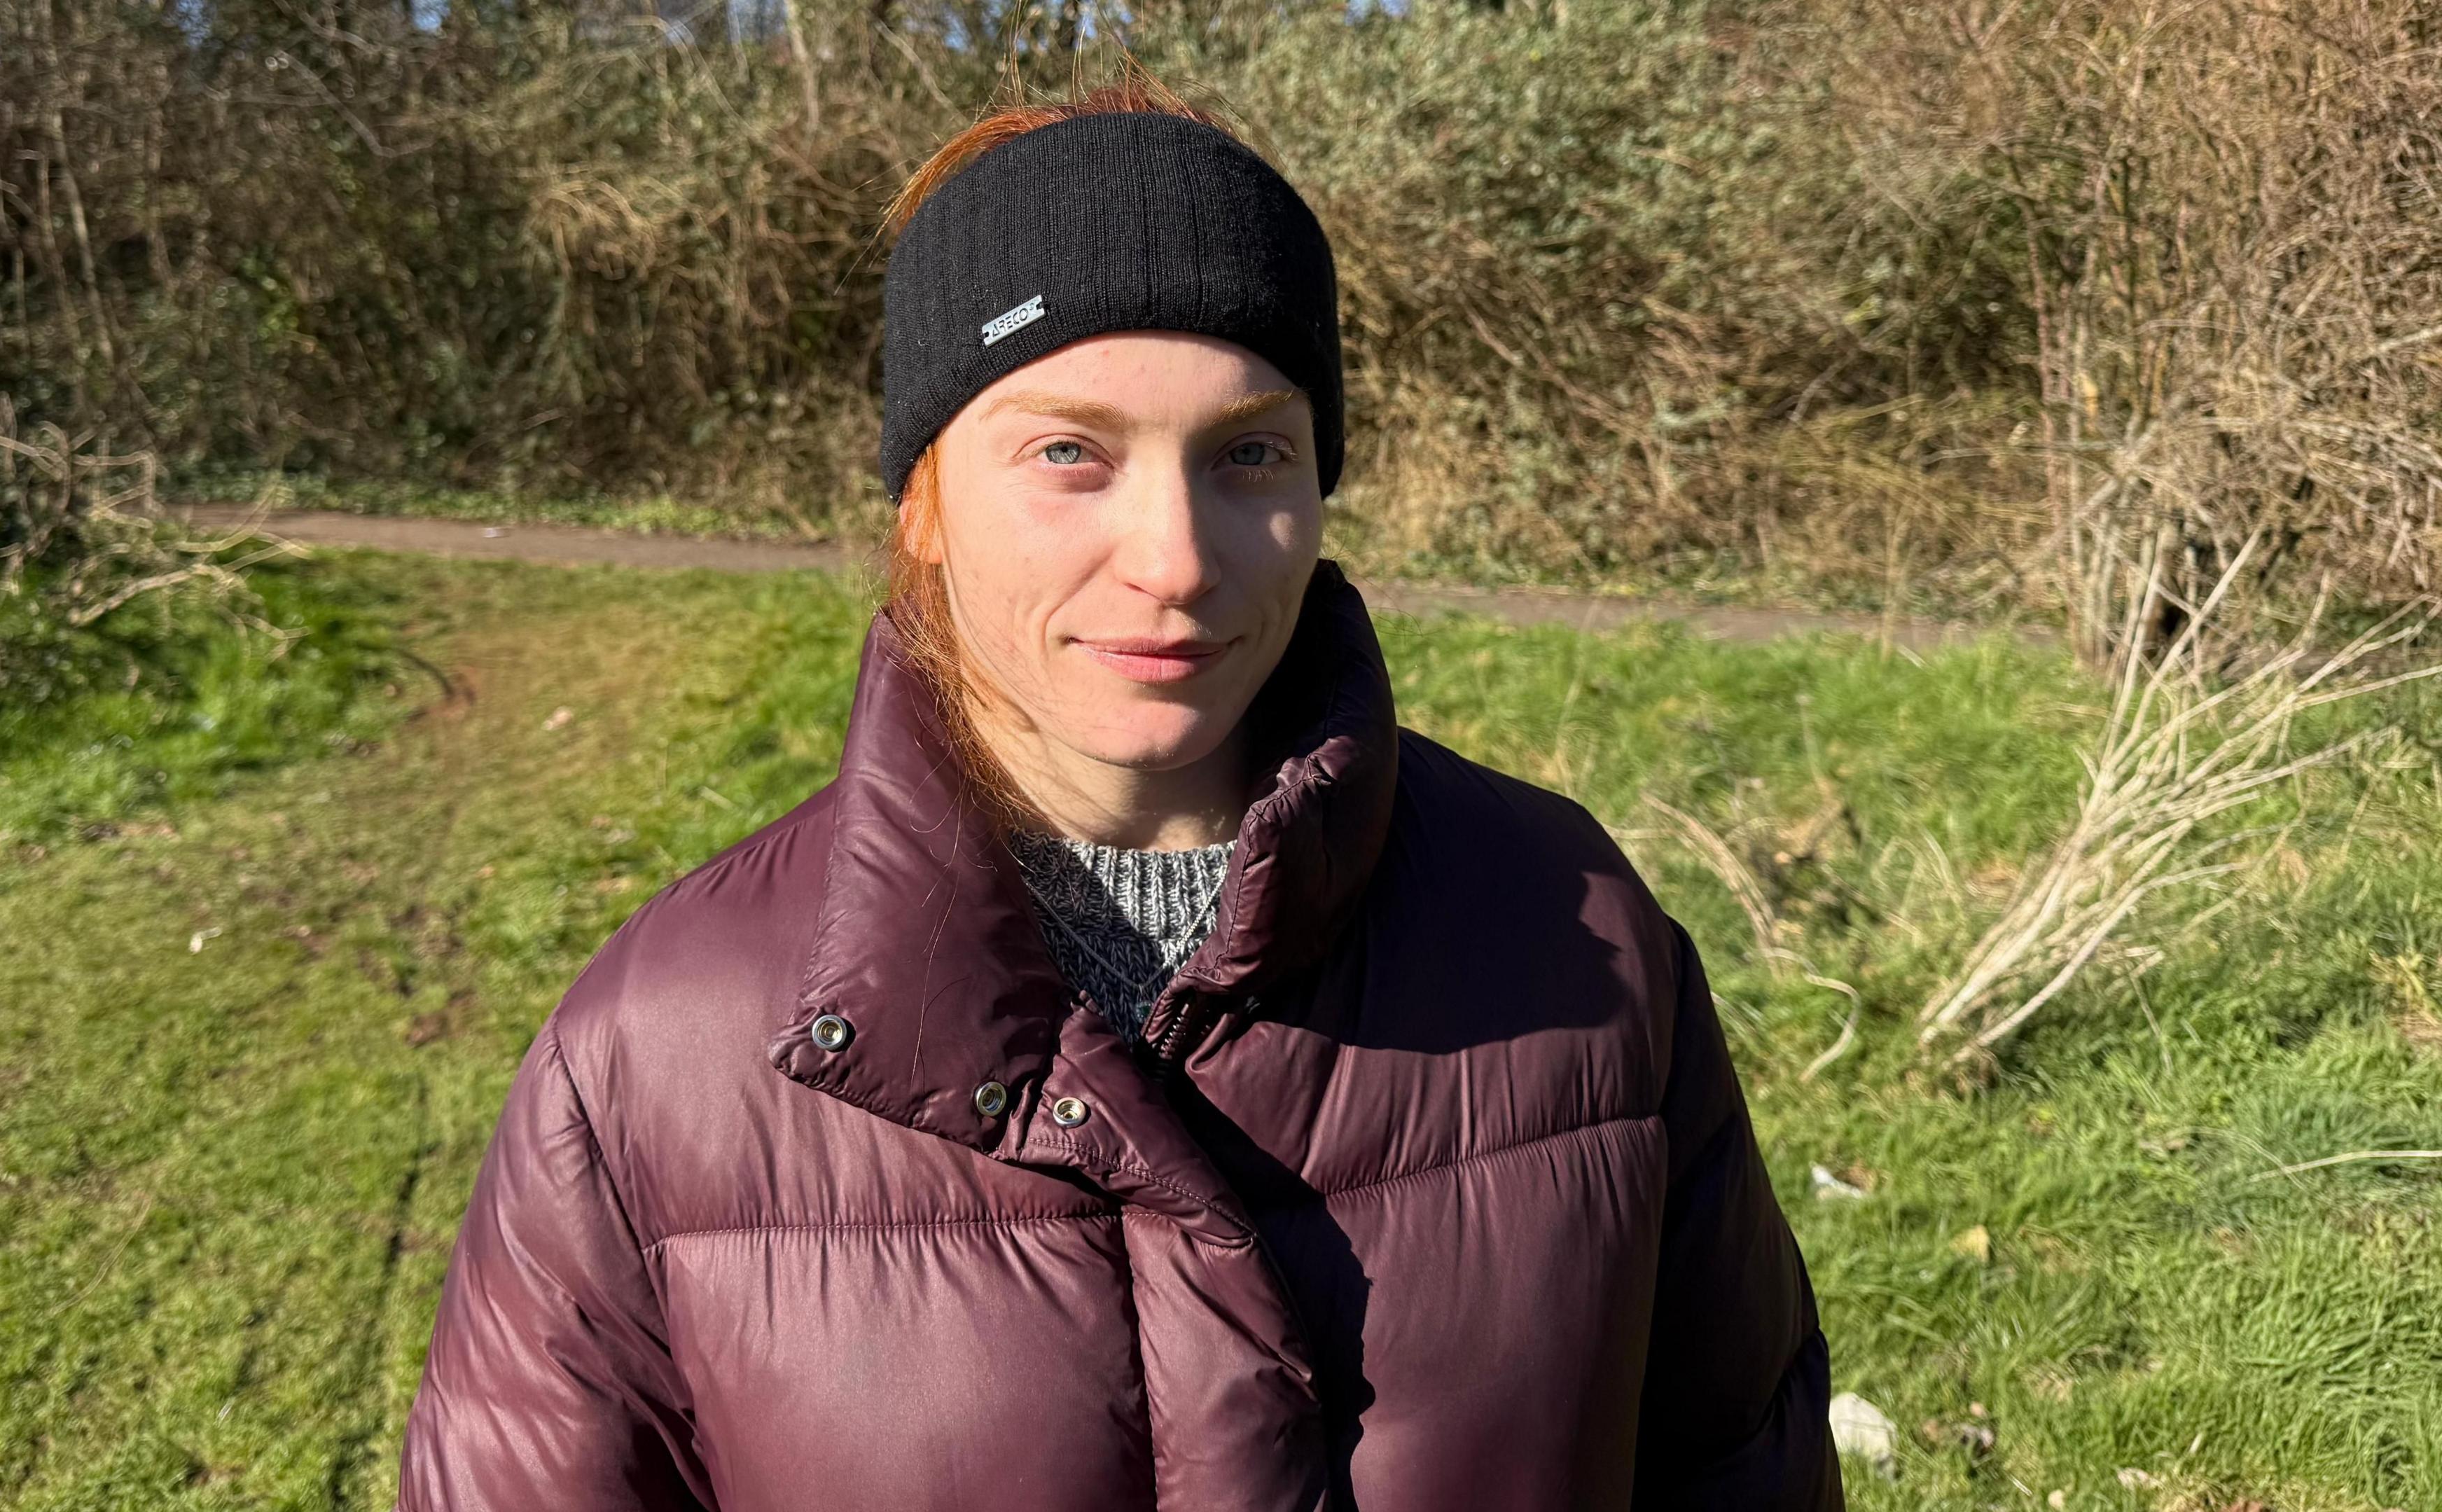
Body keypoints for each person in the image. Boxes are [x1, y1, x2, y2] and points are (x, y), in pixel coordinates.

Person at [398, 82, 1842, 1512]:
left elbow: (1737, 1465)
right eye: (1068, 453)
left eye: (1249, 453)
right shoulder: (654, 1057)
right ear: (923, 501)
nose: (1176, 558)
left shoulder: (1570, 932)